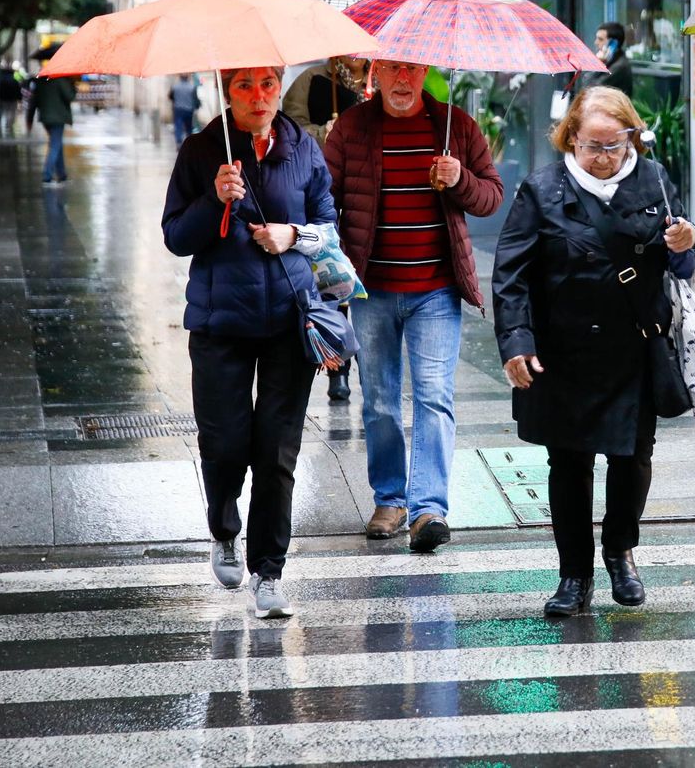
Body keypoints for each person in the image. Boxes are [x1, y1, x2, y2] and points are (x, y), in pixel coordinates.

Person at [491, 87, 695, 617]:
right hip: (563, 351)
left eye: (615, 145)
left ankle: (620, 551)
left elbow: (685, 258)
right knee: (568, 463)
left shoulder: (653, 180)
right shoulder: (542, 190)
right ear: (571, 139)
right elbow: (510, 273)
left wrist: (690, 240)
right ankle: (573, 575)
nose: (604, 157)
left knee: (632, 459)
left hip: (635, 346)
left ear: (632, 137)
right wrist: (517, 341)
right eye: (593, 146)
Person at [162, 66, 337, 620]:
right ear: (227, 91)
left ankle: (269, 572)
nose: (259, 97)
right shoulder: (200, 150)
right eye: (245, 86)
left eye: (267, 84)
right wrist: (215, 199)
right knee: (226, 441)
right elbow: (173, 236)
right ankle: (223, 528)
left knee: (277, 452)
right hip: (220, 323)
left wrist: (294, 235)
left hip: (290, 319)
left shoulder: (301, 147)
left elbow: (328, 223)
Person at [324, 59, 504, 552]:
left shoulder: (454, 125)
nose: (402, 80)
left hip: (436, 290)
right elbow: (323, 199)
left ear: (425, 72)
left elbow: (491, 196)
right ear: (375, 72)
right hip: (372, 290)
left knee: (434, 397)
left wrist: (461, 178)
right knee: (379, 400)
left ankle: (428, 510)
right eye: (392, 69)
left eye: (412, 69)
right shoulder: (352, 128)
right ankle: (390, 498)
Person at [282, 55, 369, 403]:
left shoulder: (381, 81)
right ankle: (338, 367)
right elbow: (290, 128)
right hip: (327, 195)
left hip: (369, 197)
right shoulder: (313, 80)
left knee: (368, 285)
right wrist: (325, 133)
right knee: (335, 281)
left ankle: (369, 367)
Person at [27, 73, 78, 184]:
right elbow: (70, 96)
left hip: (45, 118)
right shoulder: (60, 80)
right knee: (55, 145)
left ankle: (62, 174)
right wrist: (72, 84)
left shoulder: (40, 81)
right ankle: (47, 176)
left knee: (57, 144)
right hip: (58, 118)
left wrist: (29, 119)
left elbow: (33, 101)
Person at [584, 22, 633, 96]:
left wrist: (597, 63)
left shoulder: (619, 66)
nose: (596, 42)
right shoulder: (609, 60)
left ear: (613, 44)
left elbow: (590, 89)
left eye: (600, 39)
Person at [170, 74, 200, 147]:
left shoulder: (175, 87)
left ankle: (178, 142)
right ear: (188, 78)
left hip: (178, 109)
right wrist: (197, 106)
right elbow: (195, 99)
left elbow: (170, 96)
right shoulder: (192, 87)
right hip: (189, 109)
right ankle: (188, 142)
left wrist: (176, 101)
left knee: (178, 126)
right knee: (188, 127)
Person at [0, 66, 24, 137]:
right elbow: (18, 91)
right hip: (13, 99)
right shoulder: (14, 81)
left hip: (4, 100)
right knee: (12, 112)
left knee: (5, 112)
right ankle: (10, 124)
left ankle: (7, 125)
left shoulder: (1, 81)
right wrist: (20, 99)